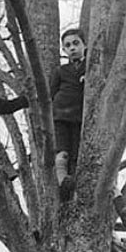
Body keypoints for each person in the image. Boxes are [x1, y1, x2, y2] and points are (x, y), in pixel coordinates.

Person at [50, 27, 86, 200]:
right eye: (67, 45)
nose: (72, 48)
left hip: (80, 119)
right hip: (61, 116)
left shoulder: (91, 67)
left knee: (78, 157)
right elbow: (50, 94)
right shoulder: (60, 71)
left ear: (84, 45)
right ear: (64, 50)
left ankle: (77, 191)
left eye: (76, 43)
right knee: (62, 154)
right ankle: (63, 184)